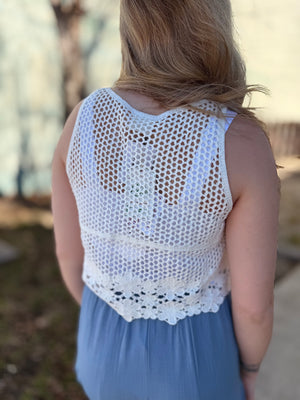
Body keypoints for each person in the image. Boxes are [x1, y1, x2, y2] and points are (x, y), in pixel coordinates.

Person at [51, 1, 280, 399]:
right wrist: (250, 370)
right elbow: (253, 309)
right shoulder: (240, 142)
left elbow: (70, 260)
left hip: (101, 350)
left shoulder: (82, 121)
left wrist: (112, 322)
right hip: (195, 366)